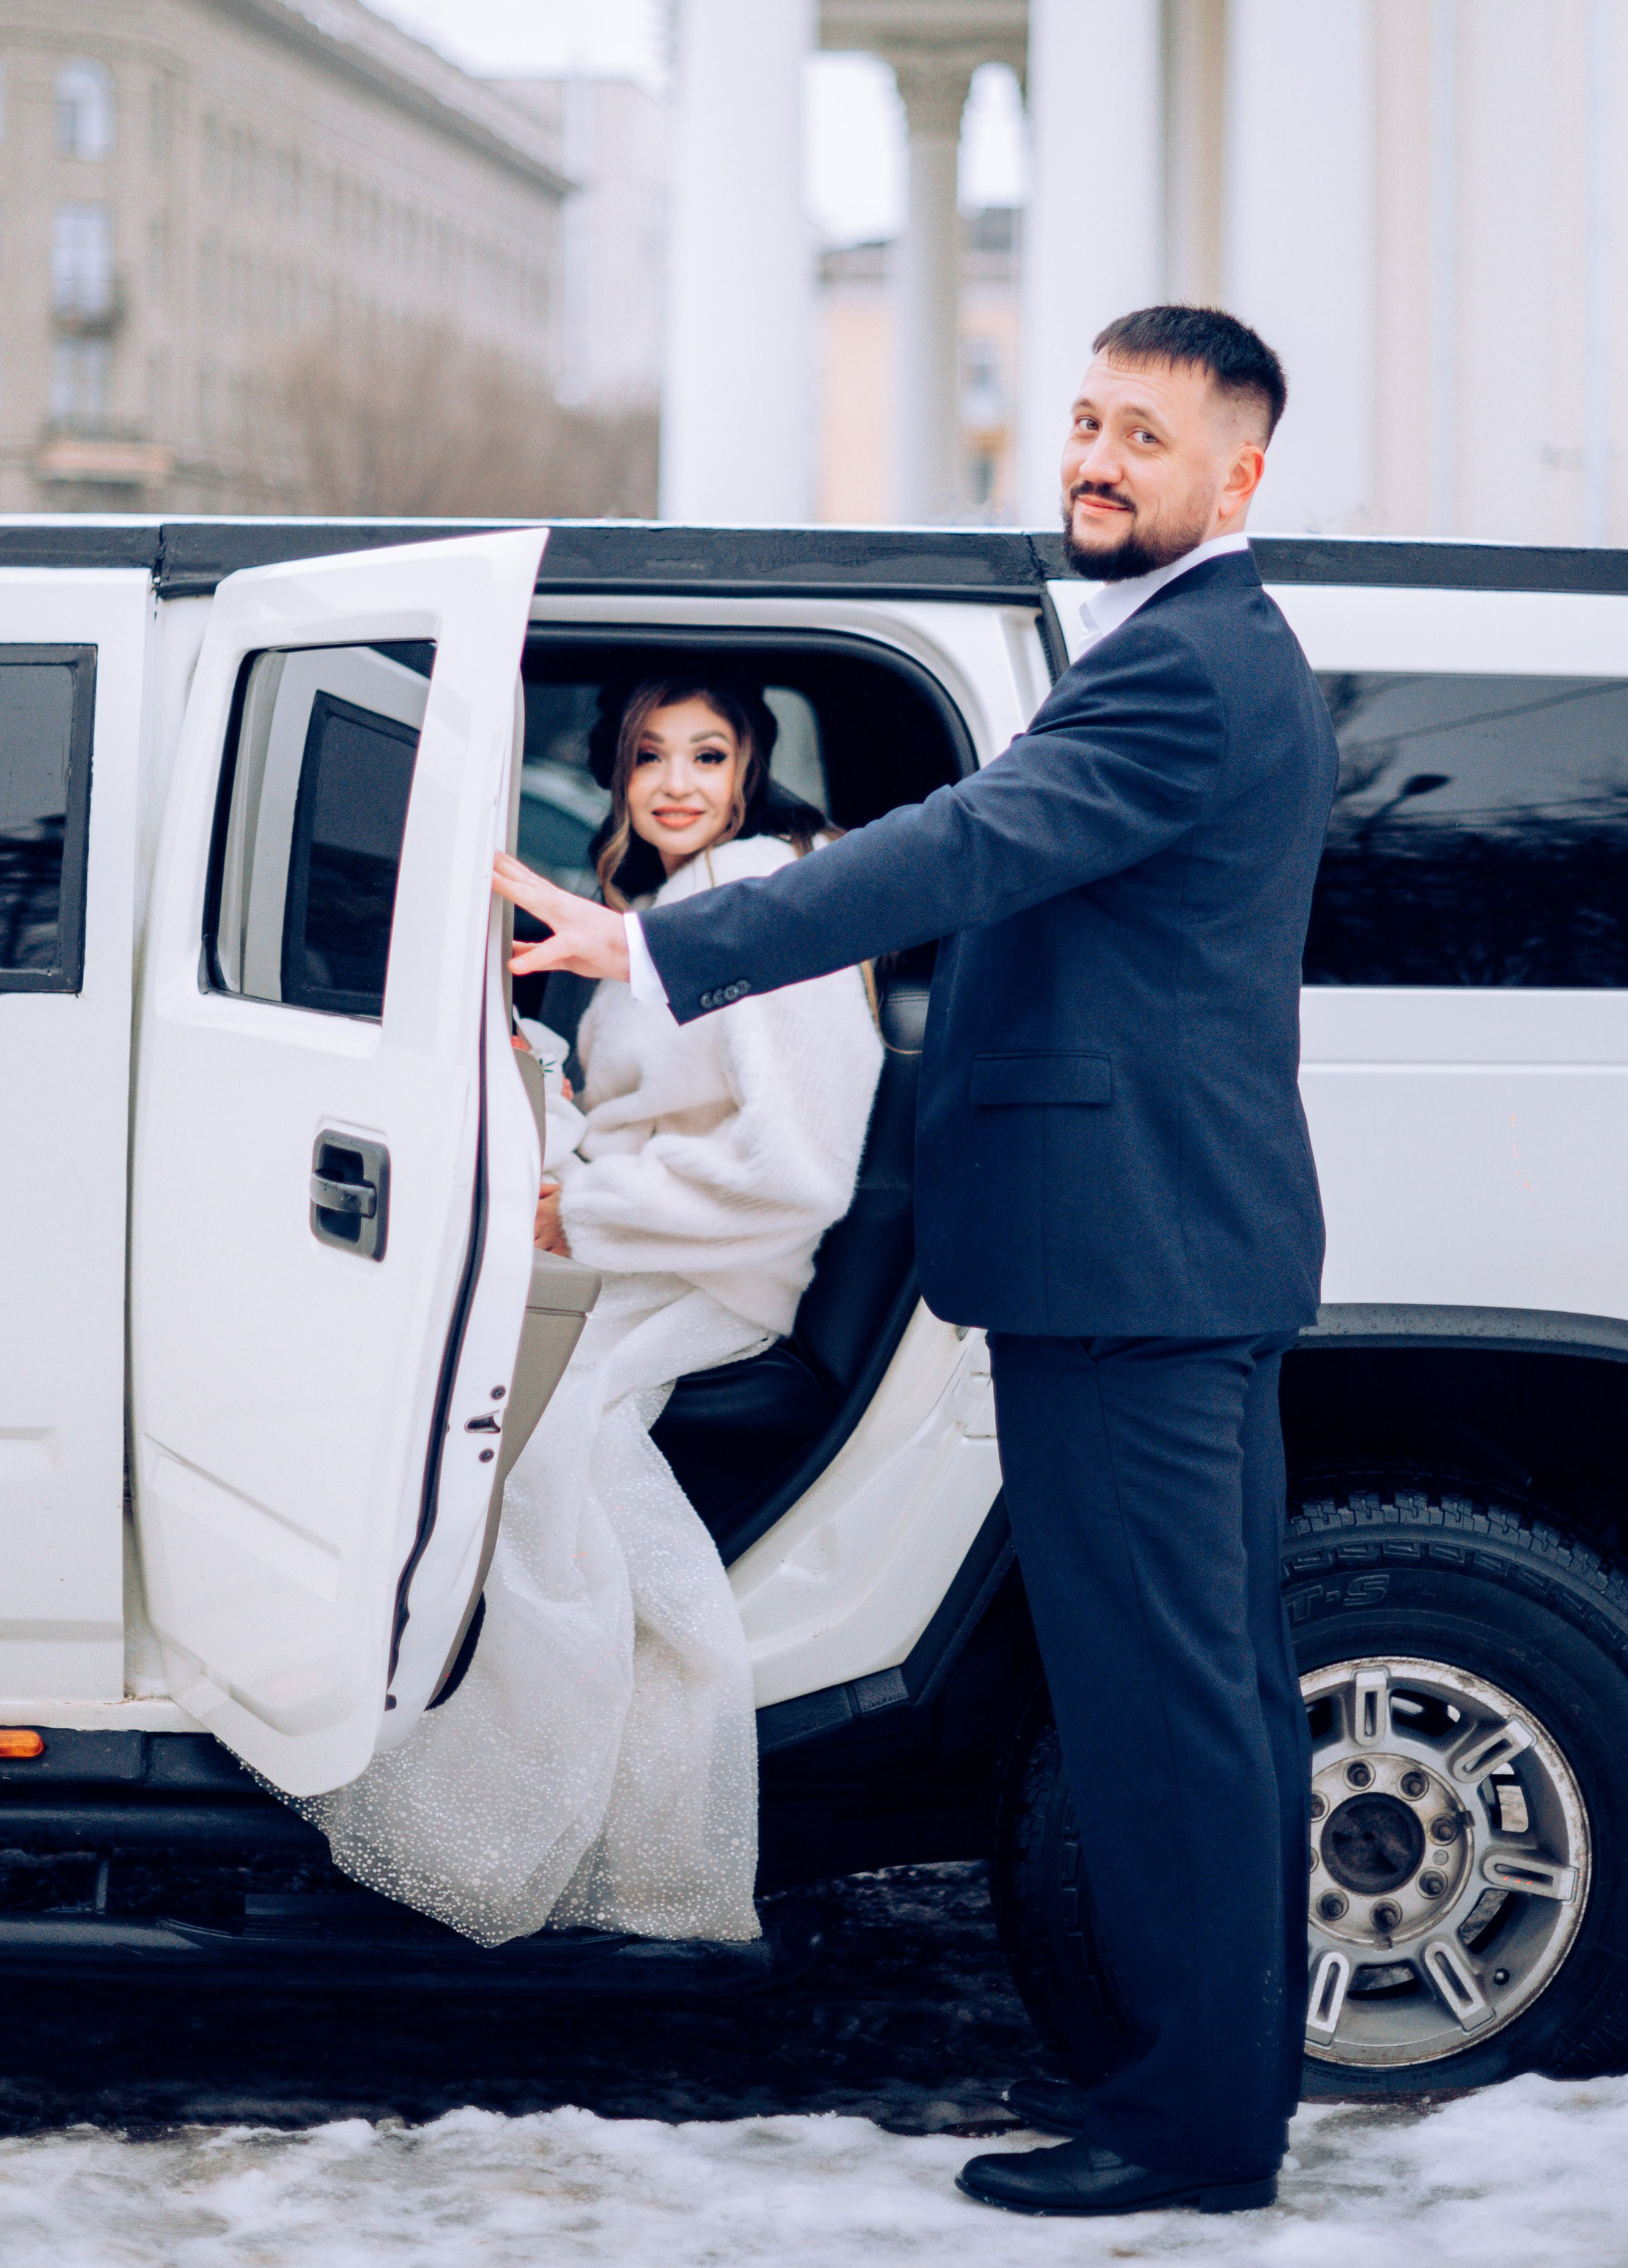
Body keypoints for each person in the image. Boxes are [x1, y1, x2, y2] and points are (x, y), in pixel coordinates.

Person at [494, 305, 1339, 2220]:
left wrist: (665, 946)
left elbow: (972, 846)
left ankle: (1189, 2126)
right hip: (1153, 1264)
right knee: (1200, 1702)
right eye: (1090, 420)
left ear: (1240, 477)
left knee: (1166, 1714)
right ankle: (1207, 2097)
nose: (1101, 458)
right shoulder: (1179, 654)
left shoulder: (1191, 670)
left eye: (1149, 435)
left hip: (1133, 1273)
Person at [298, 677, 882, 1949]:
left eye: (708, 754)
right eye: (648, 756)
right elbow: (658, 1112)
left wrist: (593, 1210)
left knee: (532, 1451)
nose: (675, 783)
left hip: (711, 1274)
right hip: (644, 1242)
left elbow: (796, 1171)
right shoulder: (678, 904)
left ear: (750, 772)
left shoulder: (765, 906)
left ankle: (560, 1841)